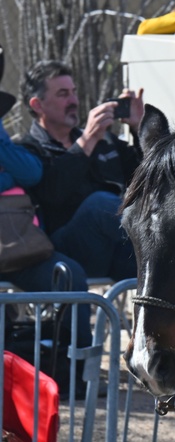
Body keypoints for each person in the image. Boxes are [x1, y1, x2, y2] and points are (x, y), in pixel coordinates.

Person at [0, 51, 92, 359]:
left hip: (18, 251)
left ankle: (75, 372)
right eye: (62, 93)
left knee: (69, 274)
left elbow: (31, 172)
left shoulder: (7, 143)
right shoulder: (30, 143)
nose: (73, 99)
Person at [16, 61, 141, 281]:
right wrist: (87, 141)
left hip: (117, 249)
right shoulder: (27, 152)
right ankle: (167, 242)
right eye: (63, 94)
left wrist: (139, 127)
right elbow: (52, 193)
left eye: (74, 92)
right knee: (100, 204)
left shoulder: (104, 140)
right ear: (37, 105)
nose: (74, 101)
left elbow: (145, 175)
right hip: (66, 255)